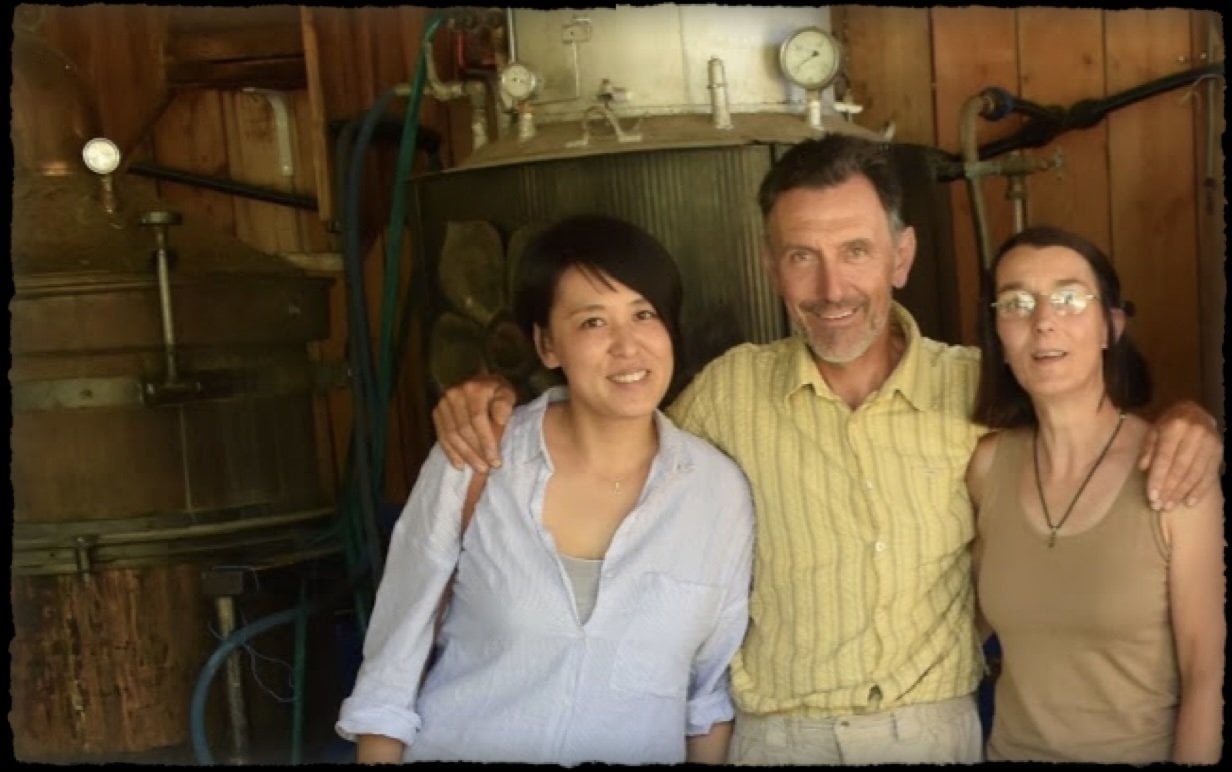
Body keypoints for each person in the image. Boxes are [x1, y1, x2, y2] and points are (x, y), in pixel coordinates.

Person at [431, 136, 1224, 764]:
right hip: (776, 737)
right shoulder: (727, 394)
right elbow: (612, 426)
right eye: (801, 256)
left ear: (901, 257)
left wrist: (1194, 421)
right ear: (771, 265)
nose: (831, 288)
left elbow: (1086, 415)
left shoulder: (979, 390)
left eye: (855, 251)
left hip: (931, 734)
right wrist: (500, 393)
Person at [336, 214, 755, 764]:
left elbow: (706, 701)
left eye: (644, 314)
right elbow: (388, 682)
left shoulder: (716, 495)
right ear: (547, 344)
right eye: (593, 322)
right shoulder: (475, 459)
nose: (627, 346)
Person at [967, 225, 1224, 763]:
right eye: (1016, 303)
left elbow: (1207, 672)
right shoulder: (986, 467)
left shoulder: (1176, 471)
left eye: (1068, 298)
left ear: (1111, 326)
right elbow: (964, 620)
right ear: (999, 337)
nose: (1043, 320)